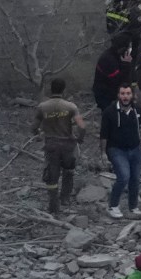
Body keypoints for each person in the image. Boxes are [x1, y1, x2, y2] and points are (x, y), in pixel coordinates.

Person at [103, 82, 141, 219]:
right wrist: (103, 153)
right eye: (123, 93)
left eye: (128, 93)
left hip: (135, 149)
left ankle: (133, 206)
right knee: (124, 176)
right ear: (118, 95)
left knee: (135, 179)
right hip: (116, 150)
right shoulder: (110, 112)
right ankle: (113, 206)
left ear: (132, 95)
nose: (125, 96)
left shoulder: (138, 110)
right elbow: (104, 134)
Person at [37, 78, 82, 215]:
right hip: (68, 145)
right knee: (68, 171)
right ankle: (65, 199)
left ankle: (54, 206)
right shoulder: (71, 107)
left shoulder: (42, 107)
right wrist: (80, 139)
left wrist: (39, 134)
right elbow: (82, 126)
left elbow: (33, 127)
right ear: (64, 90)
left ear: (51, 89)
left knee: (52, 176)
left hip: (51, 146)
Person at [91, 38, 135, 119]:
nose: (129, 50)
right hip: (106, 95)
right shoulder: (108, 59)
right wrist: (126, 64)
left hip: (113, 94)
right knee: (111, 119)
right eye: (128, 47)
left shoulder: (118, 56)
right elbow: (117, 80)